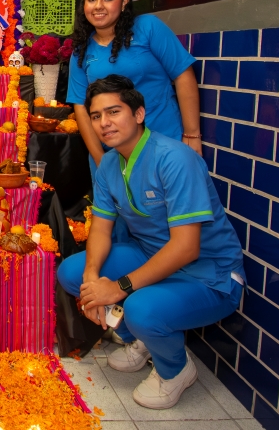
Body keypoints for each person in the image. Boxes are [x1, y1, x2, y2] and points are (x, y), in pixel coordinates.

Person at [57, 75, 245, 410]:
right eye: (96, 116)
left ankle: (175, 370)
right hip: (150, 256)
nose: (104, 123)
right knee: (73, 273)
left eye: (113, 111)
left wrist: (118, 288)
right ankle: (142, 340)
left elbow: (187, 248)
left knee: (138, 307)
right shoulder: (111, 163)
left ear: (139, 114)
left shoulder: (174, 159)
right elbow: (100, 229)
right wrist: (91, 278)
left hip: (208, 274)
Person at [68, 0, 201, 173]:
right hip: (113, 153)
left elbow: (183, 75)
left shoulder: (148, 27)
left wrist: (192, 135)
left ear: (124, 2)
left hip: (162, 141)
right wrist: (100, 160)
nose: (98, 6)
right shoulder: (81, 51)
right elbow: (80, 106)